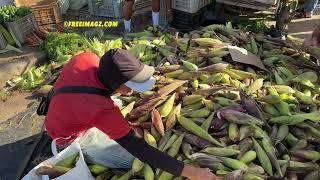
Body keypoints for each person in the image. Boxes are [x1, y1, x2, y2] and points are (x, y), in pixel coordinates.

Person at [44, 49, 220, 180]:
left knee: (118, 103)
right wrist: (193, 172)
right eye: (129, 86)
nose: (131, 92)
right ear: (114, 83)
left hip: (62, 108)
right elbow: (138, 148)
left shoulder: (87, 58)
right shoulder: (100, 108)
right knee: (132, 161)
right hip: (66, 136)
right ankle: (75, 146)